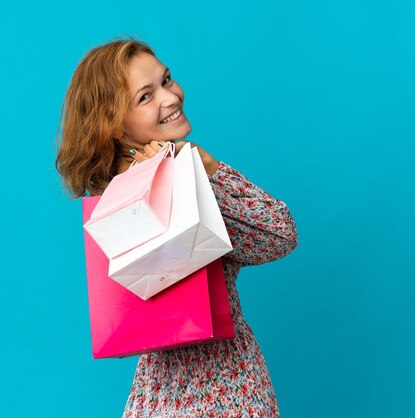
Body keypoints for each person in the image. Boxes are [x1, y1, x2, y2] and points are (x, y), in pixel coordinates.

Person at [55, 37, 299, 417]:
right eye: (145, 97)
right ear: (115, 126)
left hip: (162, 393)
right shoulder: (176, 185)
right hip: (226, 386)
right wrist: (209, 171)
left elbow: (277, 238)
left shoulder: (116, 199)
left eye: (166, 80)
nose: (170, 97)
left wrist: (206, 169)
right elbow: (279, 236)